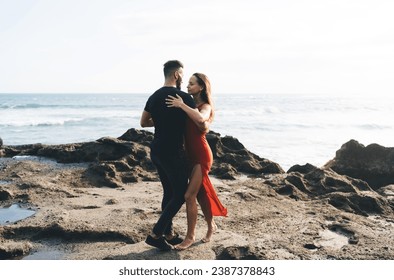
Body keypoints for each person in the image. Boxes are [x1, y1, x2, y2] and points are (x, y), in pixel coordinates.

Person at [165, 73, 227, 250]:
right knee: (200, 194)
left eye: (192, 84)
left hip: (201, 155)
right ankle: (211, 226)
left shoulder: (205, 106)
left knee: (188, 195)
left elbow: (201, 119)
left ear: (201, 87)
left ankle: (190, 237)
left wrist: (181, 104)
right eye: (188, 83)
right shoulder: (190, 105)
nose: (188, 86)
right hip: (188, 156)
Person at [140, 60, 196, 251]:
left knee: (169, 191)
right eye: (182, 74)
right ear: (177, 75)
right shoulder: (183, 97)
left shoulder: (154, 96)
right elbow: (199, 122)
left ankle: (169, 233)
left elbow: (144, 122)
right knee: (180, 194)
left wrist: (162, 122)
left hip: (157, 150)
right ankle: (156, 234)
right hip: (173, 151)